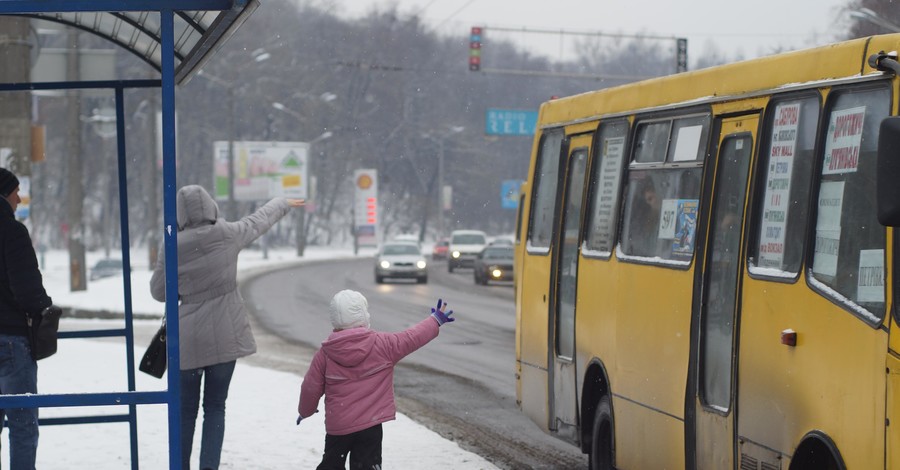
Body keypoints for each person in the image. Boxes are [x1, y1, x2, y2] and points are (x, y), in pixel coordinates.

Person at [149, 185, 304, 470]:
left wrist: (183, 287)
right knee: (215, 407)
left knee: (186, 412)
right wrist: (281, 202)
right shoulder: (228, 235)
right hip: (224, 338)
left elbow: (159, 292)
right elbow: (259, 220)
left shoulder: (171, 244)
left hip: (189, 342)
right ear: (211, 208)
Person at [297, 290, 455, 470]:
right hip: (369, 426)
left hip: (338, 426)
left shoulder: (325, 354)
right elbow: (412, 337)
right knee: (367, 466)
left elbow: (311, 387)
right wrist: (435, 320)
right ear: (363, 315)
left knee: (331, 465)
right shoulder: (384, 345)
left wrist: (305, 411)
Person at [0, 167, 56, 469]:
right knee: (22, 424)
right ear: (4, 195)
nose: (19, 198)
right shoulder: (12, 231)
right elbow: (27, 288)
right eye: (15, 192)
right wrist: (43, 308)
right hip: (10, 340)